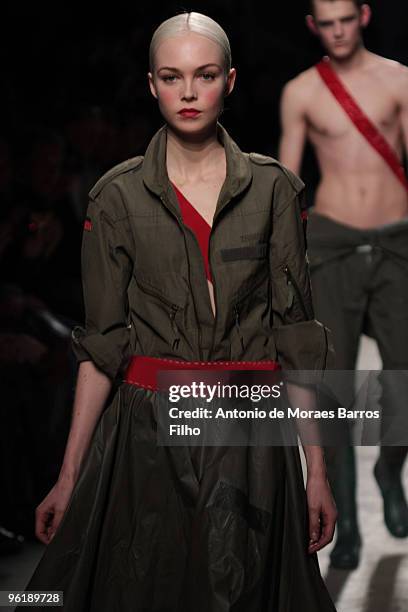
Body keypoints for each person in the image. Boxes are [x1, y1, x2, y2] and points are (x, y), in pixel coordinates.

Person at [19, 12, 337, 611]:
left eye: (205, 75)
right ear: (151, 84)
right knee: (145, 589)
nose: (188, 93)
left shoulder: (274, 191)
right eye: (172, 76)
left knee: (241, 594)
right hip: (146, 437)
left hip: (249, 433)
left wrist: (315, 469)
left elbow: (293, 338)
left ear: (231, 81)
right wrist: (68, 477)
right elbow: (103, 346)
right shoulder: (116, 196)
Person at [279, 0, 408, 570]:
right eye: (324, 23)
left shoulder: (400, 80)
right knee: (333, 389)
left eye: (344, 20)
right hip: (330, 245)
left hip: (396, 241)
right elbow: (285, 184)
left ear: (364, 15)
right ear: (313, 26)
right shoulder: (302, 92)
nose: (336, 32)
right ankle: (346, 523)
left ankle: (389, 467)